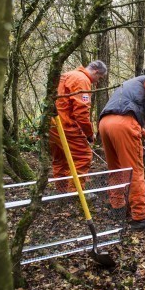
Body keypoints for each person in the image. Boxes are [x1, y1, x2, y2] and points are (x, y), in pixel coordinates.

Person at [99, 74, 145, 230]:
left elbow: (122, 111)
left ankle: (117, 207)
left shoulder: (127, 85)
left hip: (105, 124)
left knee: (116, 169)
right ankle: (140, 217)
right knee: (134, 171)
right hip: (123, 124)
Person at [49, 60, 107, 194]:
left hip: (52, 124)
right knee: (83, 156)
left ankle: (62, 192)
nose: (97, 82)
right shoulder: (82, 80)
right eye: (99, 78)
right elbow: (81, 112)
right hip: (65, 125)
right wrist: (89, 134)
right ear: (96, 71)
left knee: (60, 159)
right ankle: (75, 194)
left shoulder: (68, 75)